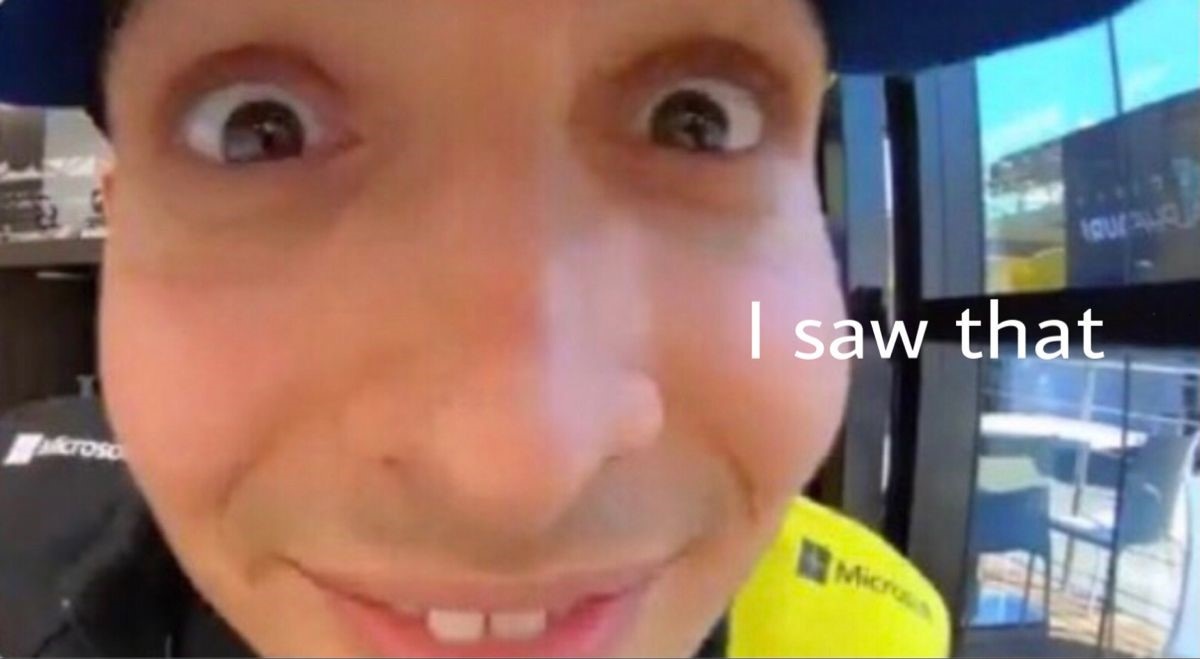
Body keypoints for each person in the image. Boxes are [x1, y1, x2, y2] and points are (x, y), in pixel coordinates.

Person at [0, 1, 1134, 656]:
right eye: (261, 130)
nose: (513, 473)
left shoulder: (876, 633)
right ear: (119, 219)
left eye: (697, 121)